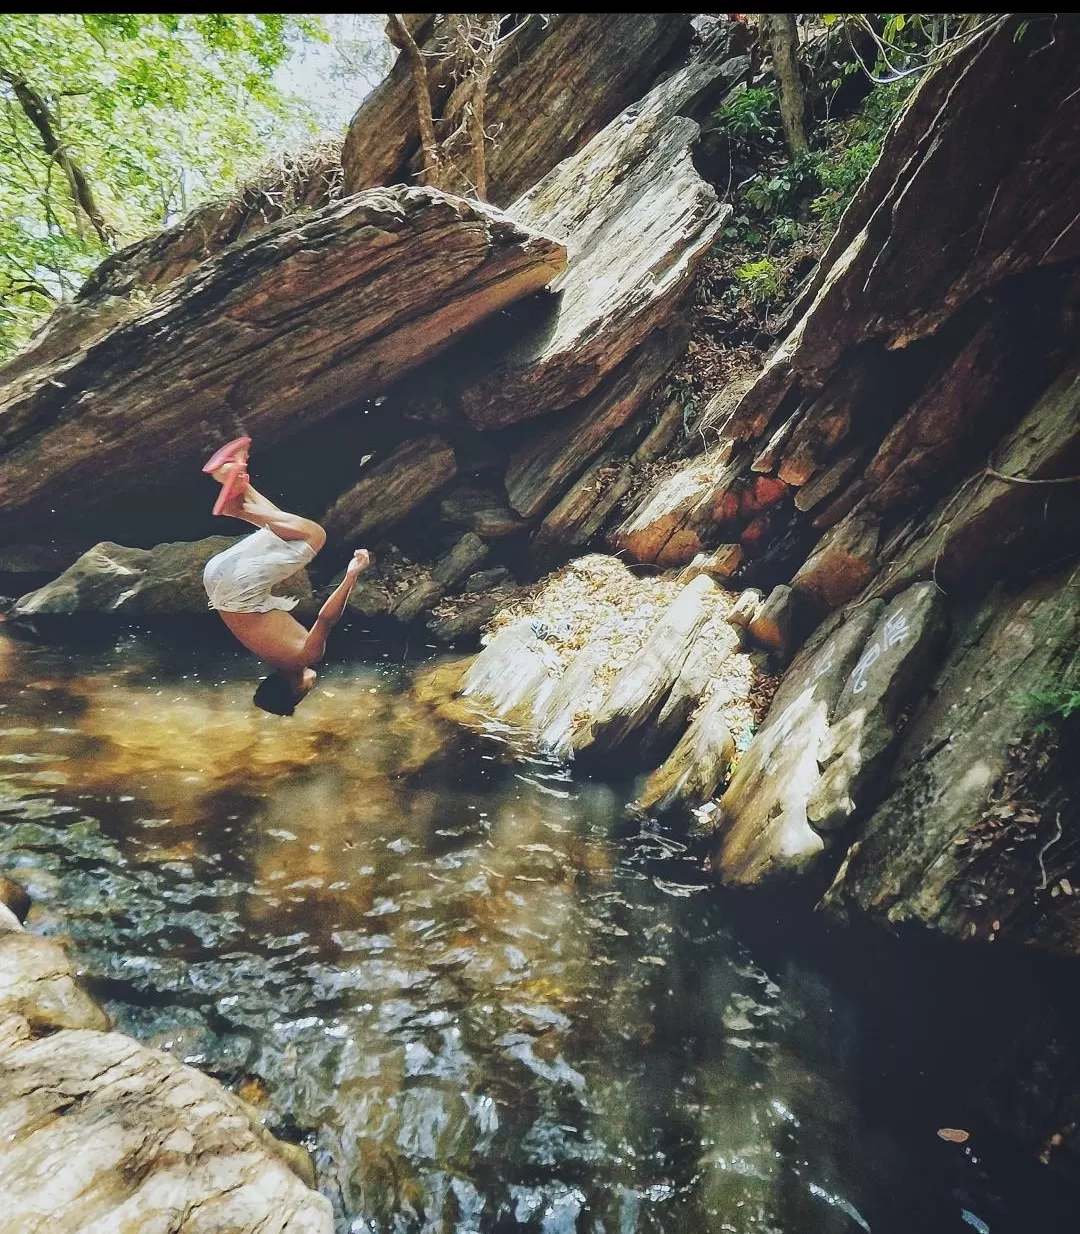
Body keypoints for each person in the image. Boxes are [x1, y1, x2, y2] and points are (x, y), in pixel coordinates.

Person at [201, 438, 369, 715]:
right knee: (282, 530)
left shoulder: (306, 657)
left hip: (238, 587)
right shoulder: (272, 656)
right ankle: (230, 476)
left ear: (296, 690)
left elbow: (326, 618)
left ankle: (237, 507)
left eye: (303, 696)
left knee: (315, 535)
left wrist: (351, 575)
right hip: (215, 579)